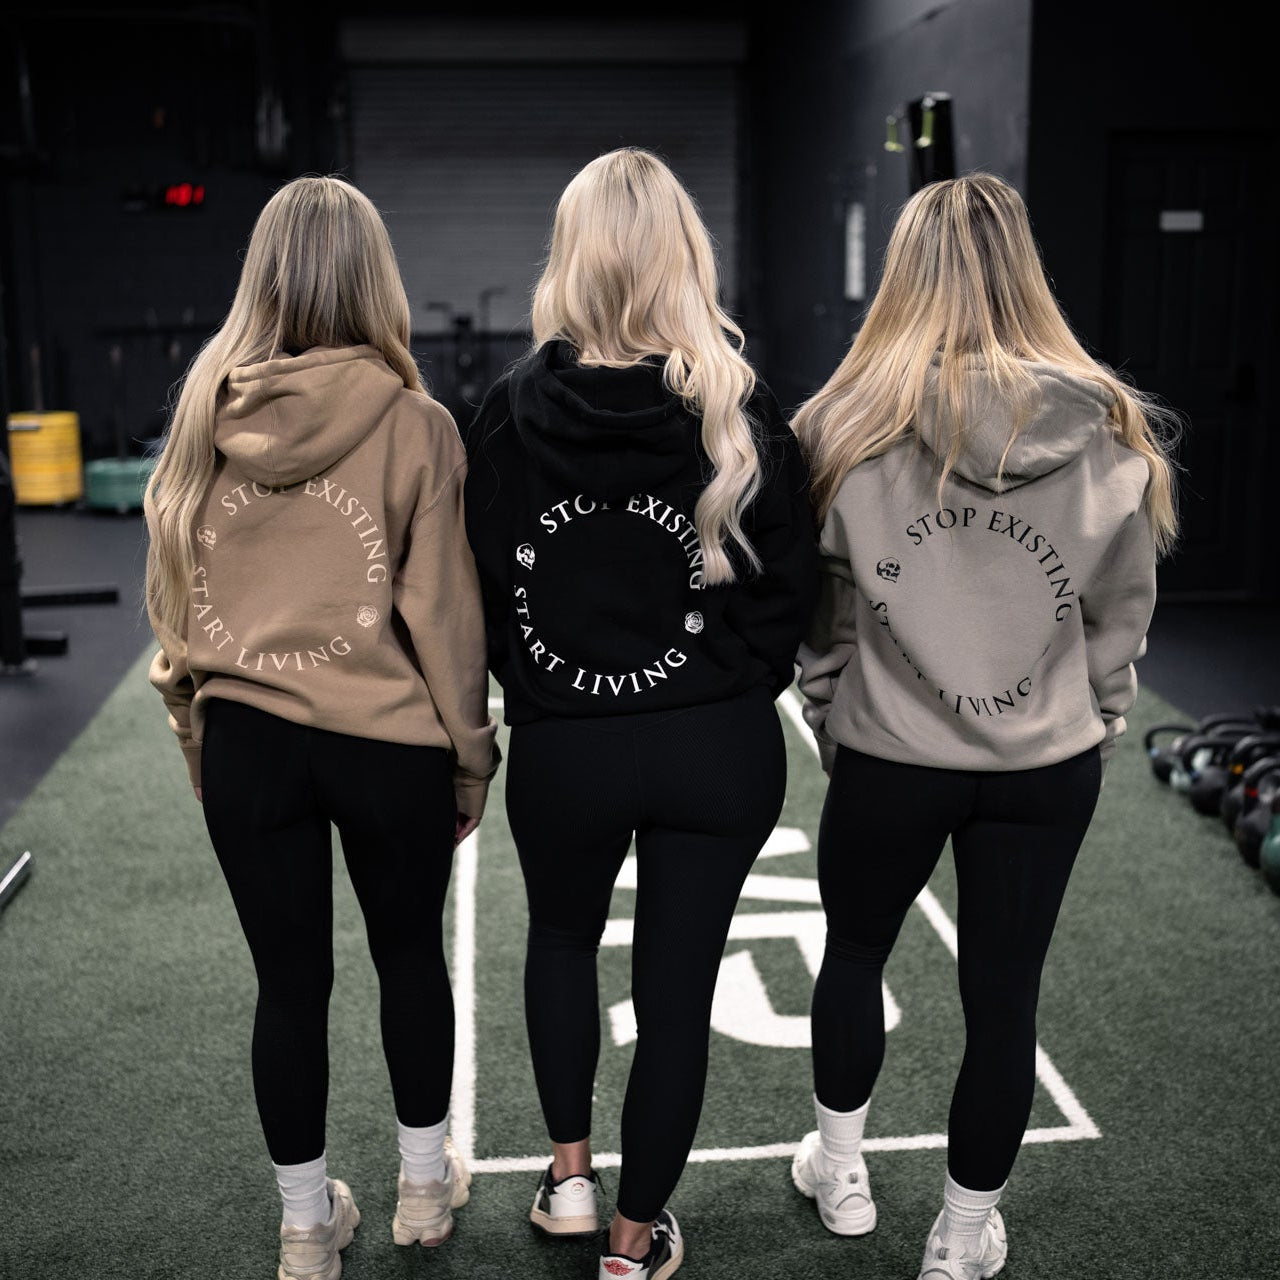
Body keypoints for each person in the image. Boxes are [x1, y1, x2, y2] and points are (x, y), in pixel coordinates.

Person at [791, 173, 1177, 1280]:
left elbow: (819, 612)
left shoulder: (840, 421)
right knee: (1004, 994)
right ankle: (959, 1237)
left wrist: (830, 709)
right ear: (1025, 271)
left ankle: (841, 1169)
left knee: (854, 952)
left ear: (899, 277)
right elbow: (1121, 608)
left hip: (888, 755)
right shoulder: (1108, 422)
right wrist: (1090, 713)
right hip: (1042, 763)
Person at [463, 147, 818, 1280]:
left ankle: (571, 1182)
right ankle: (631, 1240)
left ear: (570, 260)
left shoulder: (504, 415)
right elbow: (789, 594)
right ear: (683, 258)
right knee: (677, 985)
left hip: (567, 743)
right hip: (712, 743)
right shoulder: (743, 405)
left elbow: (480, 586)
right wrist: (714, 686)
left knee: (561, 941)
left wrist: (551, 686)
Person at [144, 175, 499, 1280]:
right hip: (388, 739)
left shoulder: (206, 412)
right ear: (374, 279)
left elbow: (176, 595)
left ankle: (306, 1226)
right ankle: (424, 1191)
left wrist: (196, 732)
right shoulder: (416, 422)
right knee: (409, 961)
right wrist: (469, 755)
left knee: (286, 982)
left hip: (249, 737)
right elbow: (441, 610)